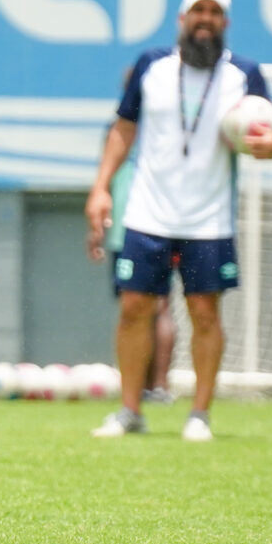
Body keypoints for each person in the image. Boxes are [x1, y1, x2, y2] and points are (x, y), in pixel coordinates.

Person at [85, 0, 272, 441]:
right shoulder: (151, 67)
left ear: (225, 23)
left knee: (205, 313)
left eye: (215, 12)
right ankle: (131, 410)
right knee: (134, 308)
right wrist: (100, 189)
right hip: (147, 211)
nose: (206, 19)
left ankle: (199, 414)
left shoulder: (246, 76)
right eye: (198, 11)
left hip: (208, 217)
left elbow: (271, 138)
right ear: (182, 18)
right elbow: (123, 130)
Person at [86, 75, 176, 404]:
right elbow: (104, 181)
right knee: (146, 308)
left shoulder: (154, 127)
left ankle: (156, 385)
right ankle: (147, 387)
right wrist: (98, 223)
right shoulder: (123, 129)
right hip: (129, 226)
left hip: (152, 224)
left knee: (153, 307)